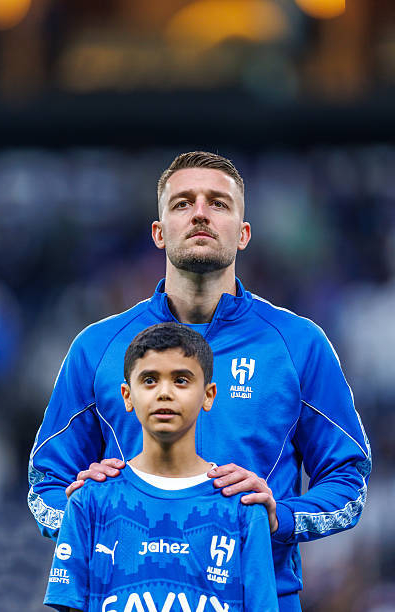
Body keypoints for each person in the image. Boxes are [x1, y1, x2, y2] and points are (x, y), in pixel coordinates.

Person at [29, 151, 371, 612]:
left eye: (219, 203)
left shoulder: (298, 344)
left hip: (255, 597)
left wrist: (281, 516)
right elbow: (46, 480)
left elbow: (348, 477)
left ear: (243, 233)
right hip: (124, 595)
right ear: (159, 232)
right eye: (183, 203)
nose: (201, 213)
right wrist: (81, 512)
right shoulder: (97, 348)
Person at [44, 322, 279, 612]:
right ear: (127, 395)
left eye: (181, 380)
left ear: (208, 395)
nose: (164, 392)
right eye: (149, 380)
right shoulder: (90, 499)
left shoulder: (243, 507)